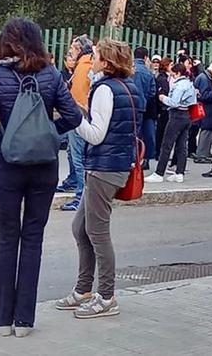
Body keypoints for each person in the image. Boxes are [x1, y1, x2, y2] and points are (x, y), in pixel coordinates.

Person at [0, 18, 82, 337]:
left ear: (5, 42)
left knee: (7, 237)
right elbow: (74, 116)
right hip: (45, 165)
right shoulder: (50, 73)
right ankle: (25, 321)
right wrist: (49, 134)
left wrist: (4, 137)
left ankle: (2, 321)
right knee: (33, 237)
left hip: (8, 165)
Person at [55, 39, 140, 320]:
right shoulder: (128, 88)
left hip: (104, 168)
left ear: (107, 62)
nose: (90, 60)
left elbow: (95, 134)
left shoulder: (104, 90)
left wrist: (74, 118)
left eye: (95, 56)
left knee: (97, 233)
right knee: (81, 228)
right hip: (113, 165)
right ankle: (84, 290)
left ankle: (105, 296)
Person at [61, 35, 94, 212]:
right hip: (80, 115)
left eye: (73, 47)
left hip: (78, 116)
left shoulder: (83, 67)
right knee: (72, 152)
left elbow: (80, 96)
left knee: (78, 156)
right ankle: (73, 181)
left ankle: (80, 194)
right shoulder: (85, 65)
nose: (71, 51)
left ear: (80, 49)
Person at [146, 62, 195, 183]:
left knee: (166, 144)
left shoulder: (179, 85)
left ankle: (159, 173)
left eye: (173, 74)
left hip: (177, 115)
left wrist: (163, 98)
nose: (172, 77)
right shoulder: (189, 84)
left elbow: (174, 102)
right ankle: (179, 172)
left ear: (178, 73)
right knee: (182, 145)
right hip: (187, 115)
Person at [131, 47, 157, 171]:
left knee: (129, 132)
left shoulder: (128, 69)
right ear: (146, 57)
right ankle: (139, 159)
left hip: (127, 104)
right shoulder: (148, 73)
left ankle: (129, 158)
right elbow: (152, 92)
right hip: (141, 106)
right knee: (139, 134)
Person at [193, 61, 212, 164]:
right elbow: (204, 95)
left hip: (203, 108)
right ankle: (201, 154)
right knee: (206, 130)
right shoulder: (204, 78)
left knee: (207, 130)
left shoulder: (203, 76)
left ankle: (204, 152)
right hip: (206, 108)